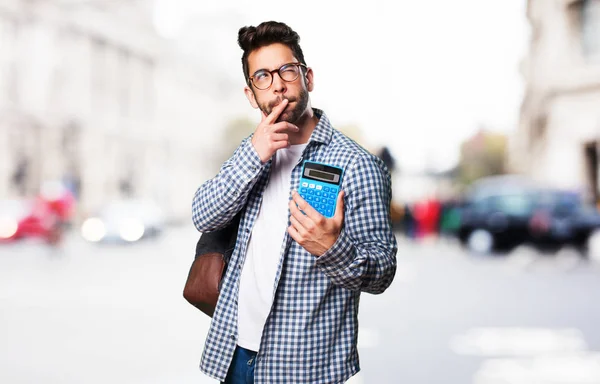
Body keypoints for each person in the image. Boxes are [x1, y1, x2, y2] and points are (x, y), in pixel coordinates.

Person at [191, 21, 397, 384]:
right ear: (250, 94)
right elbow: (203, 215)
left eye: (287, 70)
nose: (278, 85)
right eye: (263, 77)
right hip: (235, 354)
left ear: (308, 78)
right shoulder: (251, 150)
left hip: (305, 366)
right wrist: (254, 154)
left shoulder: (357, 165)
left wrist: (334, 249)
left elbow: (382, 272)